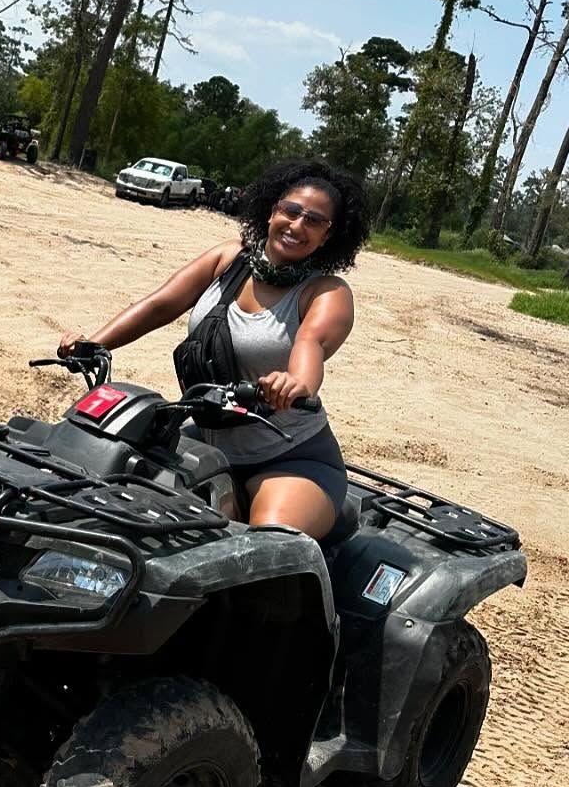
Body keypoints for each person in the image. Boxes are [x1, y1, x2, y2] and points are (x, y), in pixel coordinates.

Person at [59, 158, 371, 542]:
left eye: (314, 220)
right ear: (273, 209)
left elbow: (311, 345)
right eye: (291, 211)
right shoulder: (228, 258)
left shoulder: (327, 292)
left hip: (289, 458)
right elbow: (161, 304)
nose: (297, 225)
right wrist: (95, 342)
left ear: (328, 236)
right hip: (204, 437)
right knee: (121, 498)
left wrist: (296, 383)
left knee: (262, 549)